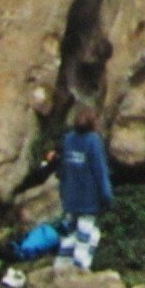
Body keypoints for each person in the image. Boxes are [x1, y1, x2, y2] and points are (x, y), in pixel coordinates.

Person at [53, 103, 113, 272]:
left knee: (70, 232)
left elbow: (63, 169)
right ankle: (81, 266)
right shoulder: (93, 141)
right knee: (87, 235)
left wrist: (63, 193)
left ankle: (62, 264)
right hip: (88, 199)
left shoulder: (69, 139)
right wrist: (106, 196)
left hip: (70, 197)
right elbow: (100, 171)